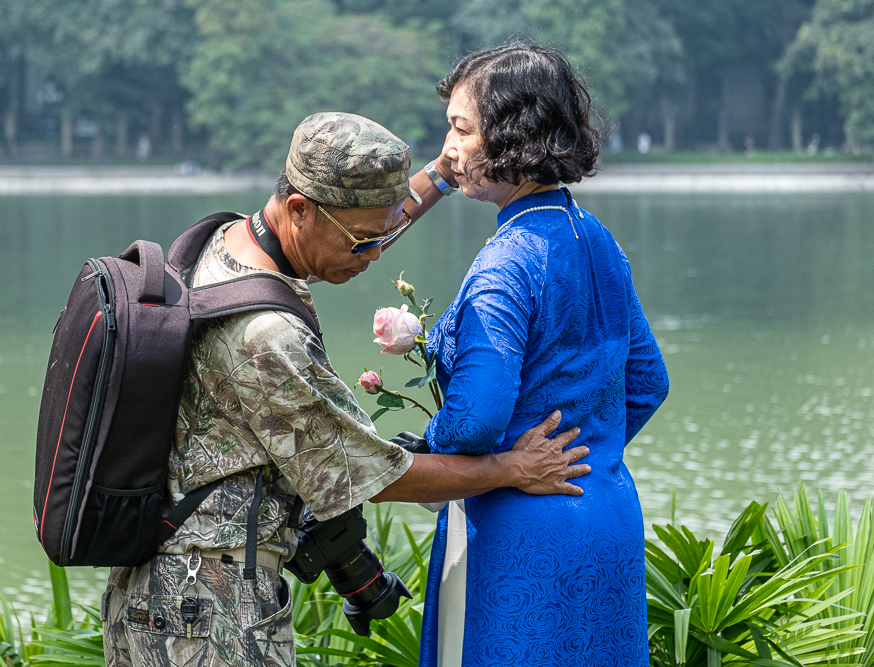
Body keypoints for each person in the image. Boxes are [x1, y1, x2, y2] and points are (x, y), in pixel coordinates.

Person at [101, 112, 591, 667]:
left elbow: (370, 223)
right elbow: (377, 475)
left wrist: (442, 174)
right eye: (364, 243)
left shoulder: (227, 243)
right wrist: (513, 469)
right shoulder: (266, 338)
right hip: (207, 612)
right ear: (298, 211)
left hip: (159, 594)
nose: (376, 255)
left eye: (381, 236)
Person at [417, 44, 670, 666]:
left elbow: (476, 419)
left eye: (461, 129)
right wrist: (588, 449)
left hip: (519, 529)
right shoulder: (597, 238)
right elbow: (649, 380)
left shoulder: (507, 261)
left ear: (513, 135)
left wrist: (425, 453)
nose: (449, 148)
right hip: (605, 510)